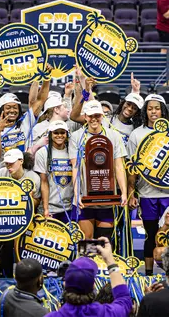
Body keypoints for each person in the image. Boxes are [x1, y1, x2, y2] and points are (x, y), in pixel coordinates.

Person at [127, 94, 169, 275]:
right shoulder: (136, 134)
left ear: (163, 110)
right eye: (150, 108)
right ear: (145, 111)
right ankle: (148, 274)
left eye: (157, 108)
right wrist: (132, 192)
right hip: (147, 195)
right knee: (150, 235)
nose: (153, 112)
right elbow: (131, 168)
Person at [69, 100, 128, 241]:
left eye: (97, 115)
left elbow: (119, 166)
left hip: (107, 199)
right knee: (86, 241)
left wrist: (124, 192)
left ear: (102, 116)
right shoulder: (76, 137)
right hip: (84, 198)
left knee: (104, 241)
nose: (94, 118)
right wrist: (77, 194)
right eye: (90, 115)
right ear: (85, 117)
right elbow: (75, 167)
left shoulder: (114, 136)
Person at [45, 237, 132, 317]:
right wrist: (109, 260)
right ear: (94, 286)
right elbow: (124, 299)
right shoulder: (108, 313)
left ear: (65, 284)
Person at [0, 148, 41, 278]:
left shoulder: (33, 177)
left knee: (25, 245)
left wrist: (29, 201)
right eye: (6, 163)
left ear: (21, 161)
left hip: (26, 218)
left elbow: (37, 200)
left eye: (11, 163)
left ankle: (27, 275)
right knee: (5, 242)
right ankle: (5, 275)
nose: (8, 166)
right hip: (4, 218)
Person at [34, 120, 76, 222]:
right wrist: (46, 209)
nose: (59, 135)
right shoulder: (42, 153)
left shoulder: (72, 151)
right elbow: (44, 182)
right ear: (50, 134)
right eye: (56, 133)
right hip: (51, 208)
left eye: (62, 132)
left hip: (69, 207)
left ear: (67, 134)